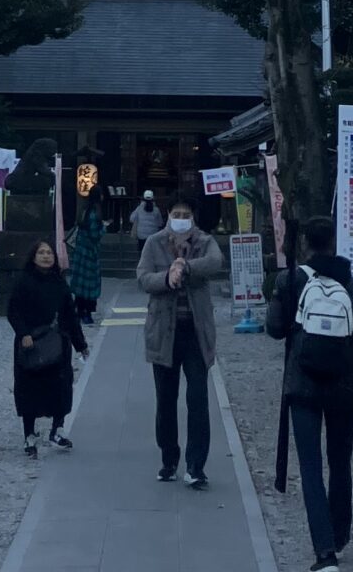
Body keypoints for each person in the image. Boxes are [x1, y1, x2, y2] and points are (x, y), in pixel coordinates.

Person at [267, 214, 353, 571]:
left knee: (310, 467)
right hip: (344, 386)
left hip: (303, 385)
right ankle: (340, 532)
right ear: (335, 243)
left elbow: (273, 328)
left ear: (304, 243)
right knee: (340, 463)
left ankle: (324, 554)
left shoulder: (292, 281)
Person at [136, 197, 224, 489]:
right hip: (164, 331)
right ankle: (168, 458)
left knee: (198, 398)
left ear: (193, 217)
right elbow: (143, 277)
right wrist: (167, 277)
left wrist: (185, 266)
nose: (182, 217)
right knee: (166, 398)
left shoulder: (205, 241)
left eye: (186, 214)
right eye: (177, 213)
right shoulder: (154, 243)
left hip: (196, 332)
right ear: (168, 215)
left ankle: (196, 465)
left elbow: (215, 262)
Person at [8, 237, 88, 458]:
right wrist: (23, 333)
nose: (46, 256)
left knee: (61, 388)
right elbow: (13, 310)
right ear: (34, 256)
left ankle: (57, 429)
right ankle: (29, 434)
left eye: (49, 253)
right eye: (41, 252)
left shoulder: (60, 282)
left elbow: (70, 315)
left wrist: (80, 343)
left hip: (57, 342)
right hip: (30, 342)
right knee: (30, 388)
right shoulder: (23, 281)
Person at [66, 199, 104, 324]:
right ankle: (86, 312)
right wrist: (103, 228)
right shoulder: (94, 215)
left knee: (80, 283)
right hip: (90, 253)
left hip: (80, 252)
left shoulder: (84, 212)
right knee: (89, 284)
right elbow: (95, 235)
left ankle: (79, 310)